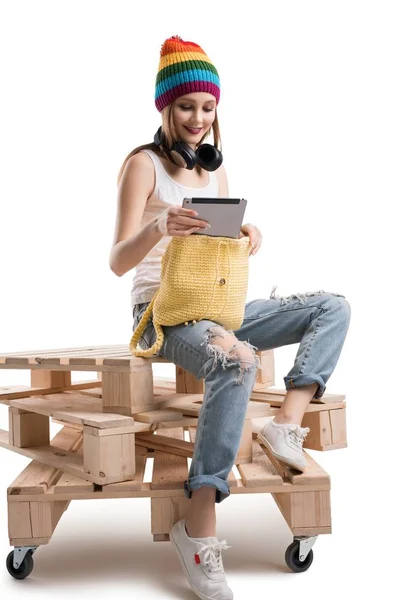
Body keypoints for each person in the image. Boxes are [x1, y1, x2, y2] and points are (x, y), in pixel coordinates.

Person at [109, 35, 351, 600]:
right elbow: (117, 261)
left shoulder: (215, 172)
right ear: (166, 107)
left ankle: (284, 425)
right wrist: (157, 227)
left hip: (216, 303)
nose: (198, 118)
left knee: (332, 306)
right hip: (163, 311)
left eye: (208, 107)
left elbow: (212, 248)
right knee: (237, 362)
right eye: (187, 106)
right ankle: (198, 531)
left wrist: (244, 236)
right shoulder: (141, 166)